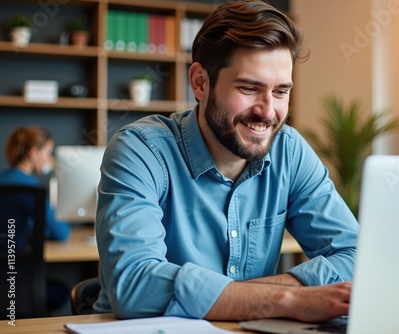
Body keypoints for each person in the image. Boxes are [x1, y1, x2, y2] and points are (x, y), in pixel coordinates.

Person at [94, 0, 359, 322]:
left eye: (280, 92)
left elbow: (356, 256)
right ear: (200, 82)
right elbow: (135, 285)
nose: (268, 111)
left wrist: (249, 296)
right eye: (249, 87)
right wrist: (288, 298)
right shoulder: (140, 150)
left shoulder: (289, 151)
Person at [0, 125, 71, 313]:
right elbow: (61, 233)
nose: (49, 160)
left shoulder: (2, 179)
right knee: (63, 291)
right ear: (33, 153)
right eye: (47, 153)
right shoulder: (32, 188)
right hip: (18, 284)